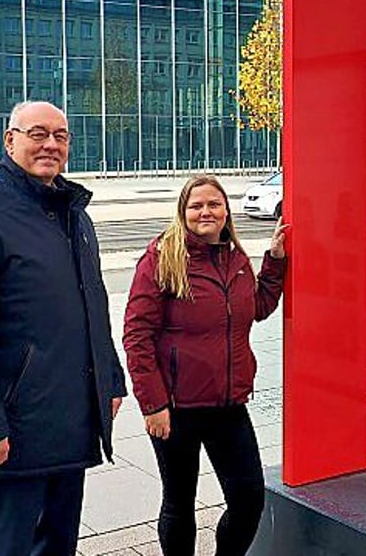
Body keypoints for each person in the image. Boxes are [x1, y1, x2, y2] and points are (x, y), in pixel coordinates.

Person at [0, 100, 126, 556]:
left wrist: (110, 380)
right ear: (10, 140)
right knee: (9, 547)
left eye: (60, 136)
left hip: (68, 422)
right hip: (14, 428)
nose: (50, 145)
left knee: (58, 545)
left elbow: (90, 305)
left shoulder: (73, 214)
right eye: (38, 134)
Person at [123, 174, 288, 556]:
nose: (206, 212)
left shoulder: (235, 256)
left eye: (213, 204)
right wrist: (153, 405)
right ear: (183, 212)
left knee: (248, 501)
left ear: (225, 210)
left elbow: (257, 306)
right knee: (180, 503)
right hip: (176, 410)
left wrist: (275, 263)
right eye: (196, 206)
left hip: (229, 405)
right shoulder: (163, 257)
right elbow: (136, 334)